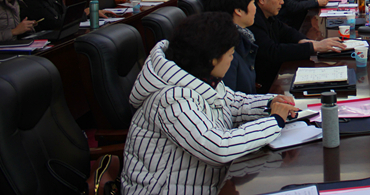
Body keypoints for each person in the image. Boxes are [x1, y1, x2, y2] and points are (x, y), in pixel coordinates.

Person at [122, 12, 297, 195]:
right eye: (230, 54)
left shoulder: (201, 76)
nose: (232, 59)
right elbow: (218, 147)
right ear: (212, 59)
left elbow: (233, 104)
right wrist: (274, 121)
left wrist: (270, 103)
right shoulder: (171, 99)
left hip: (208, 181)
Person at [249, 0, 346, 92]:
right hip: (263, 85)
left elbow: (286, 31)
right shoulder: (253, 21)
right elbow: (273, 52)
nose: (282, 2)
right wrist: (312, 47)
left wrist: (306, 41)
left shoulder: (268, 15)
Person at [207, 0, 261, 95]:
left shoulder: (243, 38)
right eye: (252, 3)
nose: (255, 8)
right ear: (238, 11)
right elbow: (229, 100)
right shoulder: (226, 49)